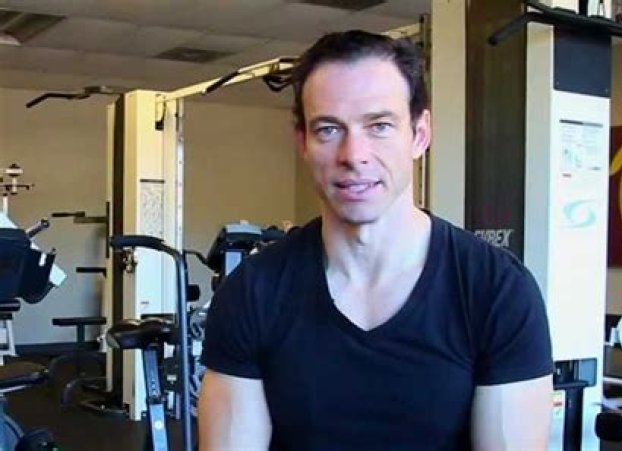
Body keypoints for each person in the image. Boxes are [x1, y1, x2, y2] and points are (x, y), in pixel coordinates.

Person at [198, 30, 554, 450]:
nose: (354, 155)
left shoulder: (496, 290)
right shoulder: (251, 293)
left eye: (379, 126)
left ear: (419, 134)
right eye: (329, 129)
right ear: (303, 142)